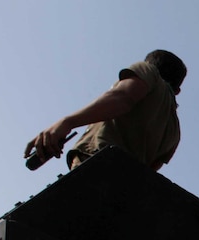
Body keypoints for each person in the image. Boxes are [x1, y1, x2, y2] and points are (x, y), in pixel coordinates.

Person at [24, 49, 187, 172]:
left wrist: (67, 122)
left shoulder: (149, 72)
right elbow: (150, 171)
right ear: (178, 91)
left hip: (95, 166)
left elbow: (122, 97)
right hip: (121, 197)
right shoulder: (175, 131)